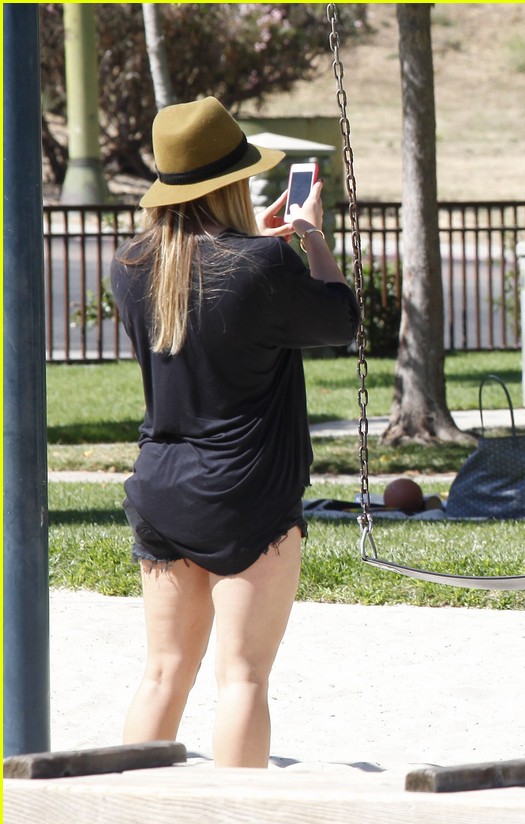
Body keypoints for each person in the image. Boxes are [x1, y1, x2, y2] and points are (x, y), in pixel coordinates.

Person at [110, 97, 359, 768]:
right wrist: (309, 236)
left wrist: (264, 248)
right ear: (231, 183)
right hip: (247, 492)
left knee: (163, 673)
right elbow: (340, 320)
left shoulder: (129, 267)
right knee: (242, 677)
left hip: (162, 485)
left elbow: (209, 293)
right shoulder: (263, 267)